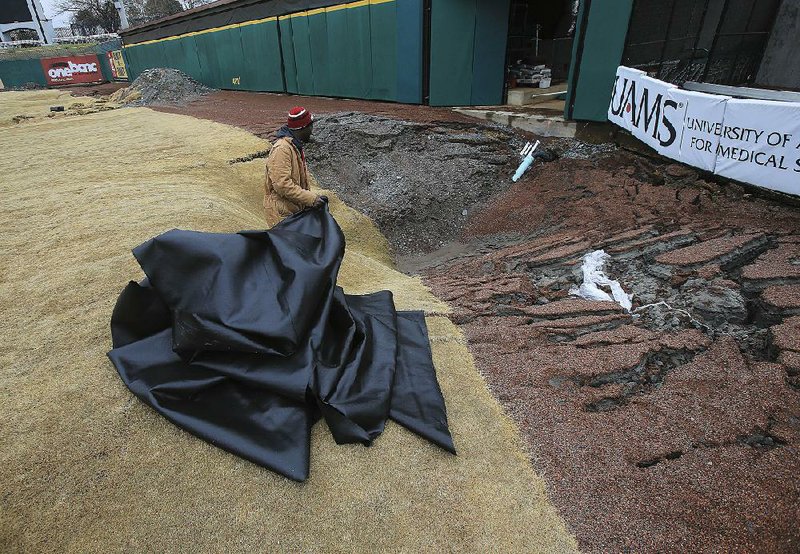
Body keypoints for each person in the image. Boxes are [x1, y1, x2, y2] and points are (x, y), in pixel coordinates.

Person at [263, 106, 326, 226]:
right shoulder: (282, 149)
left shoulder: (294, 146)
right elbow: (282, 185)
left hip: (292, 212)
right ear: (302, 128)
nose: (312, 130)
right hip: (283, 216)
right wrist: (310, 199)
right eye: (310, 126)